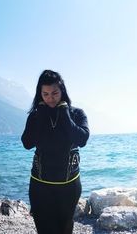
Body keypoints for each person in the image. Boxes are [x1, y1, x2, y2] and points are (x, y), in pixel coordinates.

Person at [21, 70, 90, 234]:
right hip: (39, 186)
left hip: (69, 186)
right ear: (40, 94)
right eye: (45, 94)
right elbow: (27, 143)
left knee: (65, 229)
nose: (50, 98)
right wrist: (42, 117)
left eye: (54, 93)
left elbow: (82, 139)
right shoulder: (35, 116)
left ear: (62, 91)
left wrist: (65, 115)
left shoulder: (76, 113)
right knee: (44, 230)